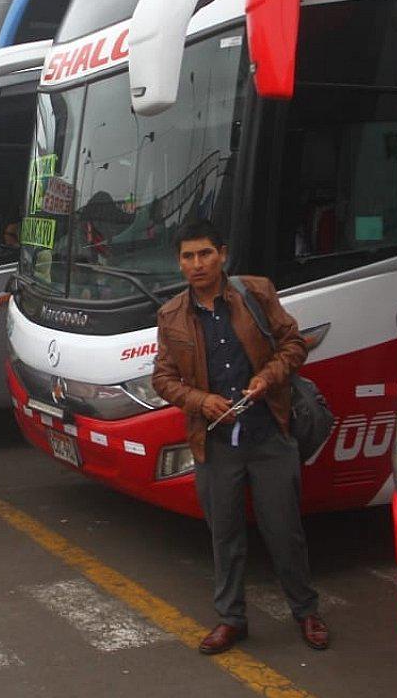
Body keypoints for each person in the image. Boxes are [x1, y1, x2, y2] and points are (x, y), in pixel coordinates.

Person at [149, 220, 327, 655]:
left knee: (284, 531)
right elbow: (162, 378)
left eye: (205, 254)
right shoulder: (171, 314)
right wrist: (199, 400)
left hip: (270, 435)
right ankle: (232, 619)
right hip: (213, 444)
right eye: (188, 257)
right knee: (224, 536)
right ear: (179, 263)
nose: (197, 264)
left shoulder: (255, 293)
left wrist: (268, 377)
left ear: (222, 254)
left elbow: (294, 344)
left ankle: (306, 612)